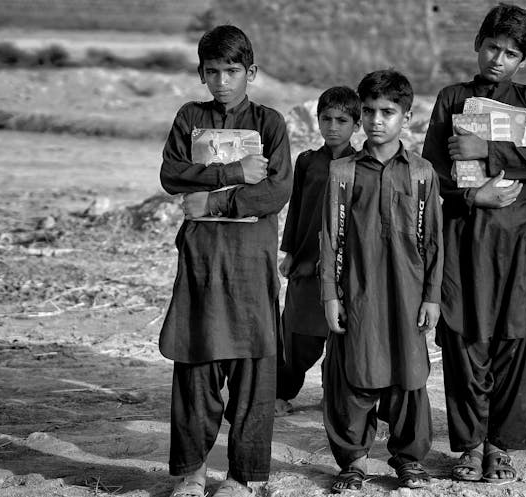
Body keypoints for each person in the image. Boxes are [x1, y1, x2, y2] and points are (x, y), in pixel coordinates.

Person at [422, 3, 526, 484]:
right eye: (492, 48)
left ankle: (501, 446)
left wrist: (489, 150)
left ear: (523, 60)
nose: (499, 59)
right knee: (465, 342)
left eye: (511, 53)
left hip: (519, 243)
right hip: (464, 239)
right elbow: (432, 169)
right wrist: (469, 194)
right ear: (478, 45)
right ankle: (469, 445)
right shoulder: (451, 98)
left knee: (516, 340)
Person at [159, 25, 292, 497]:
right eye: (212, 71)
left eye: (232, 71)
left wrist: (212, 202)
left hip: (250, 264)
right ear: (200, 73)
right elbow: (172, 174)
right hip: (202, 261)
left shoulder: (270, 124)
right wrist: (234, 173)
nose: (222, 81)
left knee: (255, 371)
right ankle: (191, 472)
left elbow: (275, 191)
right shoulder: (189, 117)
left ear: (250, 72)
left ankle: (243, 476)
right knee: (195, 364)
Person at [319, 69, 443, 493]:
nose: (376, 121)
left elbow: (433, 243)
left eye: (387, 112)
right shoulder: (342, 171)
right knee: (355, 372)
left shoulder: (422, 172)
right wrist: (330, 296)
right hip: (358, 291)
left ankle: (409, 461)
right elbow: (330, 240)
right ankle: (353, 462)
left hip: (408, 295)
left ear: (406, 116)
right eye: (369, 111)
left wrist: (432, 298)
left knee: (409, 376)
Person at [275, 86, 361, 416]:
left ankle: (334, 395)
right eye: (326, 119)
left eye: (342, 120)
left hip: (348, 267)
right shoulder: (308, 162)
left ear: (357, 125)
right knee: (296, 333)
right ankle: (282, 392)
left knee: (342, 338)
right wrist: (290, 252)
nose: (333, 126)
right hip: (308, 263)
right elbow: (296, 209)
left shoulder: (362, 165)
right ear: (317, 121)